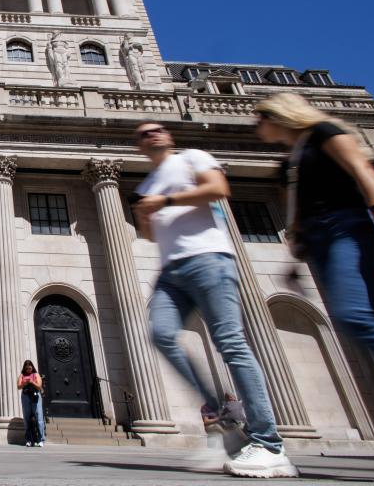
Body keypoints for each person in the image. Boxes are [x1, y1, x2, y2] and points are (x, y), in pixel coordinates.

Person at [253, 93, 374, 483]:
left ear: (279, 115)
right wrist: (294, 260)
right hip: (321, 240)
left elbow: (362, 169)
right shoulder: (290, 160)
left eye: (260, 118)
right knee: (368, 321)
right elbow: (296, 215)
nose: (257, 126)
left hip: (351, 228)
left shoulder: (324, 131)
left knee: (357, 315)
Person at [132, 121, 298, 478]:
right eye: (144, 133)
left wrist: (166, 200)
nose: (153, 134)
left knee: (231, 344)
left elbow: (218, 188)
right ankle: (222, 414)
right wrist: (144, 214)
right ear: (139, 144)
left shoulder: (193, 157)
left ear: (168, 135)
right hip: (172, 270)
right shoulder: (147, 183)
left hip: (210, 258)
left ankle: (268, 442)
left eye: (157, 129)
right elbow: (148, 234)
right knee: (160, 333)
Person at [17, 360, 44, 448]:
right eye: (27, 368)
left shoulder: (36, 374)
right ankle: (28, 439)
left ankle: (40, 439)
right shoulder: (22, 375)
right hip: (25, 396)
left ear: (32, 367)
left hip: (35, 396)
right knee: (26, 418)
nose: (28, 370)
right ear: (24, 368)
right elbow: (18, 386)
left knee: (39, 417)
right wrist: (25, 382)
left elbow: (39, 386)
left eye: (30, 368)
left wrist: (32, 382)